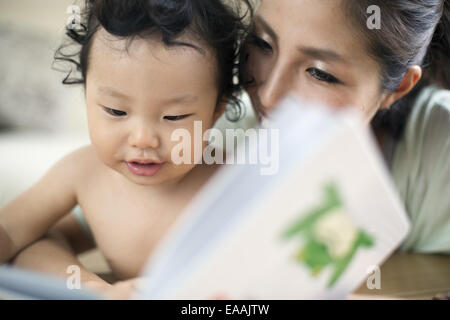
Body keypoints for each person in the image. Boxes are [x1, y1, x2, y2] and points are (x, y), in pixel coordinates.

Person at [0, 0, 250, 298]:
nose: (142, 139)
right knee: (38, 243)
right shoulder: (82, 172)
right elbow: (12, 233)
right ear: (86, 95)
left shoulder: (234, 180)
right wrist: (94, 288)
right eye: (116, 111)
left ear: (216, 112)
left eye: (174, 117)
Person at [242, 0, 450, 253]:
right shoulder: (215, 131)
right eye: (263, 43)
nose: (268, 96)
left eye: (321, 74)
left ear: (398, 88)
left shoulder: (439, 152)